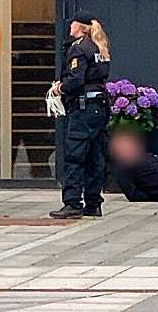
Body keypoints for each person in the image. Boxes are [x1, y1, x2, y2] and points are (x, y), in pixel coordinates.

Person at [48, 11, 112, 219]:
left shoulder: (78, 48)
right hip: (99, 107)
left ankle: (73, 203)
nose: (69, 28)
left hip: (83, 109)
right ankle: (93, 203)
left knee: (75, 155)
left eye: (72, 25)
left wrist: (60, 89)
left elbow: (76, 80)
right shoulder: (98, 47)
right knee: (95, 156)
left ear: (79, 27)